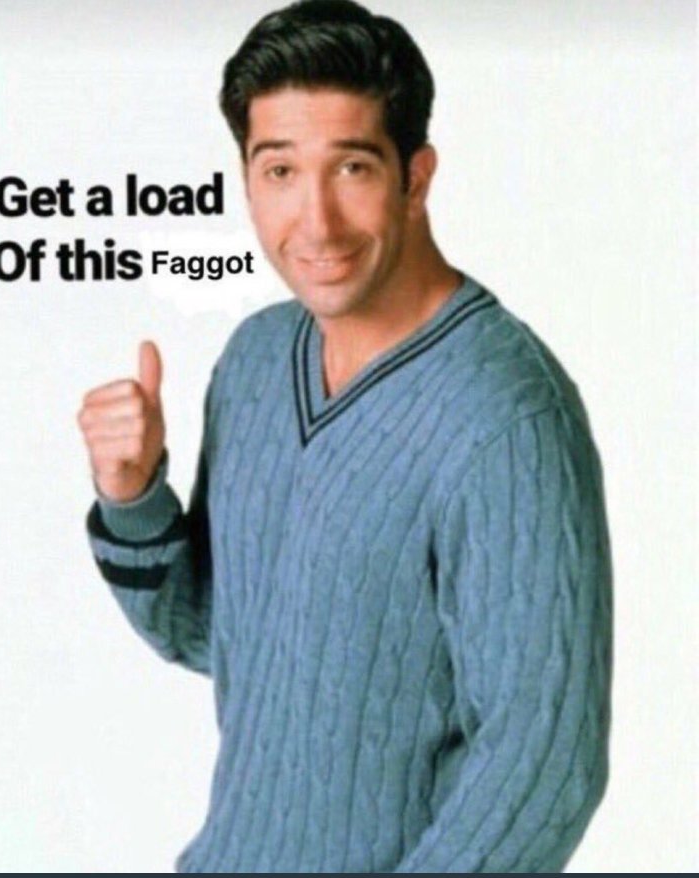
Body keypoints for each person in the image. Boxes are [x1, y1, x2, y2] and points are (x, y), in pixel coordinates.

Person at [77, 0, 613, 872]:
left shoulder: (506, 416)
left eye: (353, 168)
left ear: (416, 178)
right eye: (280, 171)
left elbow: (543, 769)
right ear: (247, 179)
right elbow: (218, 635)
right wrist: (133, 497)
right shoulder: (254, 362)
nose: (316, 221)